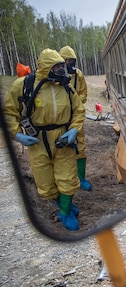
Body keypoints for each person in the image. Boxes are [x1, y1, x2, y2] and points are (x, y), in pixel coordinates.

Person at [3, 48, 85, 231]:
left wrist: (73, 130)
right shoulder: (24, 85)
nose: (62, 71)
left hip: (63, 139)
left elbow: (79, 110)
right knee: (45, 184)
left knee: (68, 178)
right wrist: (16, 134)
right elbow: (9, 112)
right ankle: (64, 205)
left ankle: (64, 212)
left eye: (61, 67)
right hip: (37, 141)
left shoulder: (65, 86)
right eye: (57, 68)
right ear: (47, 68)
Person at [59, 46, 92, 191]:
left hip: (75, 117)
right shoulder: (55, 78)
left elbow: (84, 93)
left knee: (80, 147)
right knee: (61, 149)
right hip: (59, 119)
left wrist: (76, 101)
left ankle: (81, 178)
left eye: (73, 60)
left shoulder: (78, 75)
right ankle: (63, 180)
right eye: (68, 61)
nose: (71, 64)